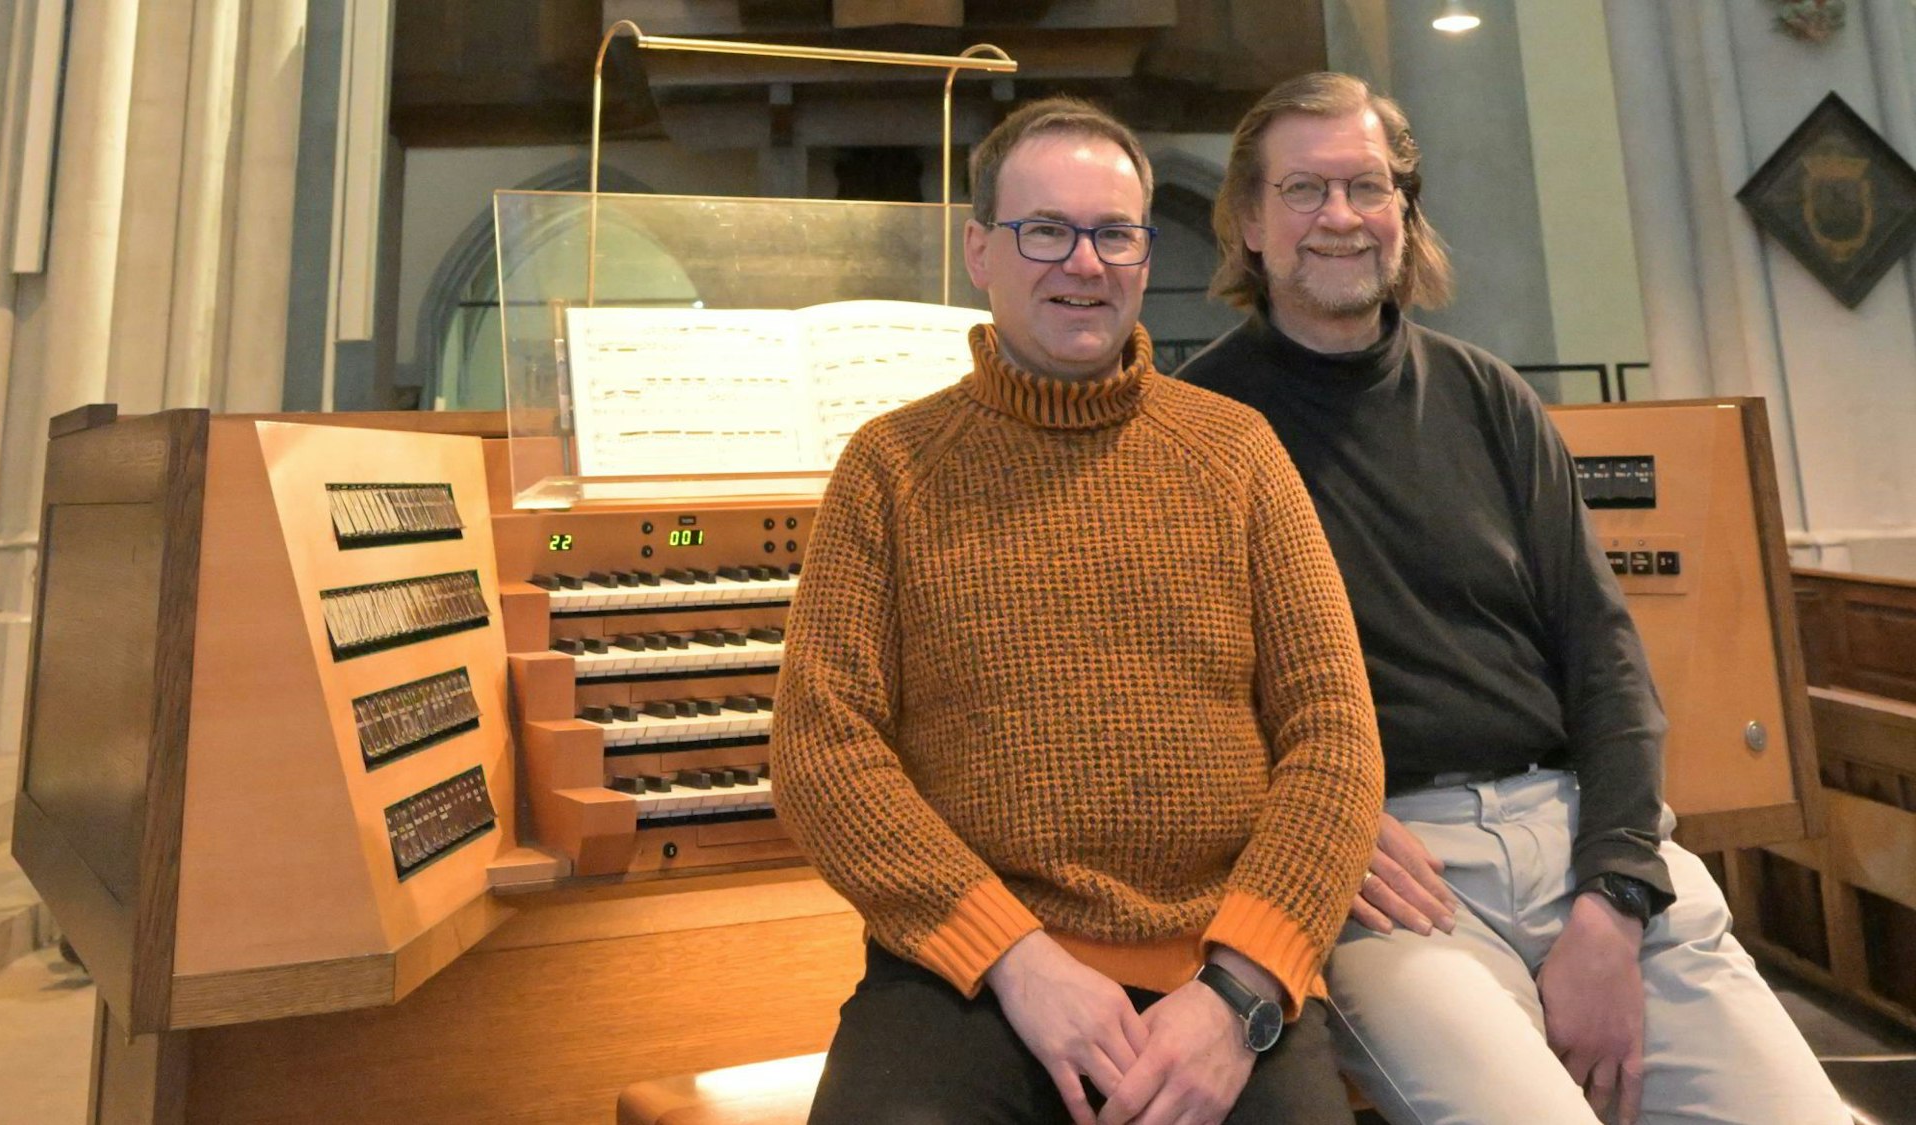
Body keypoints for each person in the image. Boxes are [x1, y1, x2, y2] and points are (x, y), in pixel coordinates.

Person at [1178, 71, 1850, 1125]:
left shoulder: (1488, 396)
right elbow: (1174, 694)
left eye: (1365, 187)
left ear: (1404, 209)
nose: (1340, 218)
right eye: (1303, 190)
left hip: (1574, 830)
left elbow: (1604, 660)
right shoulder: (1192, 427)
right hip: (1384, 870)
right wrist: (1310, 823)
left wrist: (1613, 897)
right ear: (1249, 222)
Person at [771, 96, 1383, 1125]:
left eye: (1113, 234)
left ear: (1145, 254)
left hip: (1217, 969)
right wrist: (1009, 957)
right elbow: (819, 749)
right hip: (968, 979)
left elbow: (1333, 739)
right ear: (979, 251)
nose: (1083, 264)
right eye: (1044, 231)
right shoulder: (889, 466)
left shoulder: (1235, 454)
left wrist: (1239, 993)